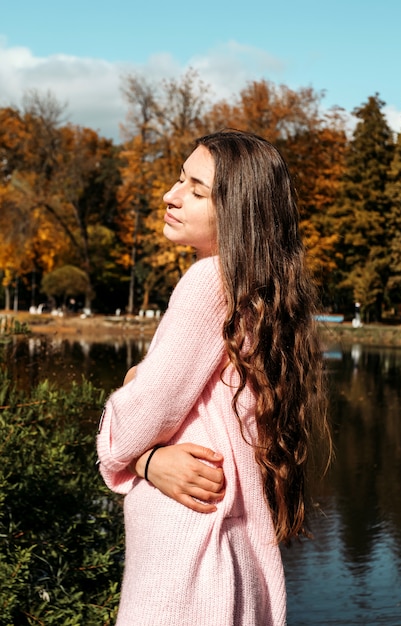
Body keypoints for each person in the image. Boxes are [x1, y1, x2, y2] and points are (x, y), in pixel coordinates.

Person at [97, 129, 331, 625]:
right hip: (226, 559)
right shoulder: (260, 296)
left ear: (237, 213)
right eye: (180, 179)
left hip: (188, 566)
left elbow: (127, 428)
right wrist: (151, 459)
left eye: (197, 190)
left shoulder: (208, 283)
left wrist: (135, 394)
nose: (171, 195)